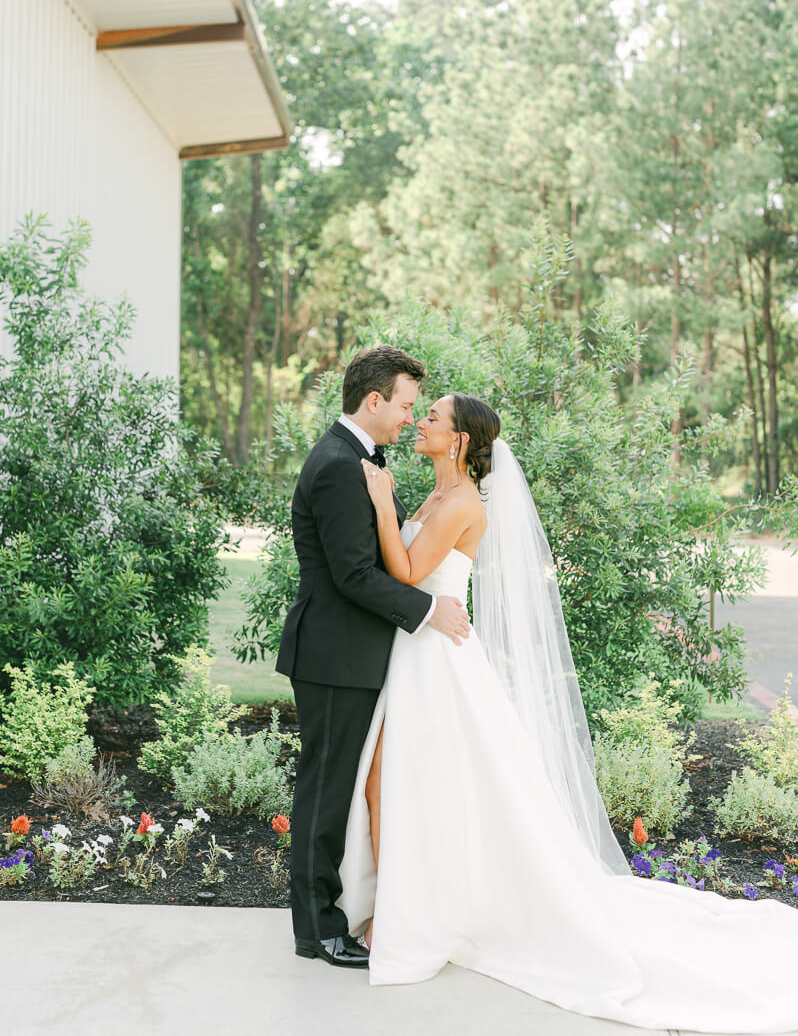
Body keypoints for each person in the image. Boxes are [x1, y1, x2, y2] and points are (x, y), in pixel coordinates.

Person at [336, 391, 798, 1033]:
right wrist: (392, 505)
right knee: (396, 781)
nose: (421, 423)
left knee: (407, 781)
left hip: (438, 662)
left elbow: (411, 571)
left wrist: (381, 504)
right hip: (419, 655)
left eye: (433, 417)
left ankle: (407, 916)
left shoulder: (464, 501)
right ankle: (404, 904)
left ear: (462, 439)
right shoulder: (438, 494)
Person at [275, 346, 471, 968]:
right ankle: (318, 929)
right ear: (375, 400)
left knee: (337, 787)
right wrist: (426, 610)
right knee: (326, 789)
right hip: (335, 654)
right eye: (407, 405)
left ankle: (331, 914)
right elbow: (353, 574)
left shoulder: (357, 458)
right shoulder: (337, 464)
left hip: (350, 653)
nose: (411, 418)